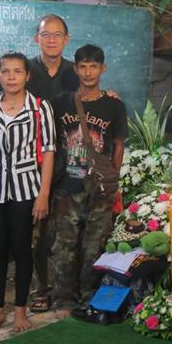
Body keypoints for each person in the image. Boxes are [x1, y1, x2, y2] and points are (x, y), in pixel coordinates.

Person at [0, 14, 78, 314]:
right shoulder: (19, 75)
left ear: (66, 39)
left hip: (61, 168)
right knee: (23, 242)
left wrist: (108, 93)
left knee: (58, 234)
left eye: (57, 35)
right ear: (38, 38)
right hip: (17, 177)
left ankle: (62, 293)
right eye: (46, 34)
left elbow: (91, 91)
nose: (51, 40)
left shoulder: (72, 74)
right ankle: (32, 293)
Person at [0, 52, 56, 334]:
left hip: (26, 188)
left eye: (17, 71)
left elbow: (49, 151)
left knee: (23, 249)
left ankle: (20, 309)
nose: (11, 77)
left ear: (27, 75)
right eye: (5, 71)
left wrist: (43, 194)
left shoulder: (39, 107)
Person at [50, 45, 127, 318]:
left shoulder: (114, 105)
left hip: (100, 188)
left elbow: (118, 145)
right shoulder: (61, 103)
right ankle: (63, 299)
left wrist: (113, 182)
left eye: (93, 66)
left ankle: (90, 297)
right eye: (83, 66)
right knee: (65, 245)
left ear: (102, 68)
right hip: (67, 186)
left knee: (95, 245)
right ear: (75, 69)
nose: (88, 72)